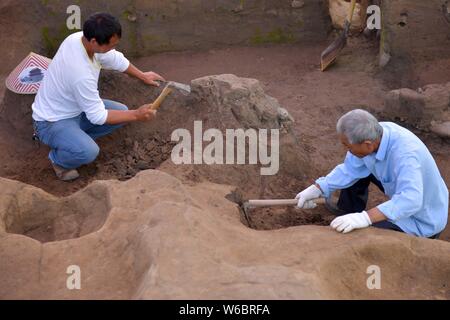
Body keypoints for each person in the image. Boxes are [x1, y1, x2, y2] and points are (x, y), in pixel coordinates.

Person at [32, 12, 165, 181]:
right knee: (89, 151)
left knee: (121, 111)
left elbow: (115, 59)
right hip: (52, 121)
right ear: (94, 41)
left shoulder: (80, 39)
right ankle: (59, 160)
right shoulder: (80, 73)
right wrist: (137, 115)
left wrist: (142, 75)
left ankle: (74, 140)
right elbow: (97, 116)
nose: (112, 49)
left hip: (76, 109)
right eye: (110, 45)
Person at [296, 109, 448, 239]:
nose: (347, 150)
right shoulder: (377, 133)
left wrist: (365, 218)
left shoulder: (406, 156)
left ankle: (358, 220)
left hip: (421, 217)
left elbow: (411, 200)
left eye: (349, 147)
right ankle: (347, 211)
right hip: (400, 186)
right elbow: (350, 169)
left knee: (366, 235)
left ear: (367, 144)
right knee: (360, 168)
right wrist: (318, 188)